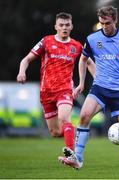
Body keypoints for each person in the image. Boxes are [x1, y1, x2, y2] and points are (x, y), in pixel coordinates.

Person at [58, 6, 119, 173]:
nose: (105, 26)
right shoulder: (92, 39)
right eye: (102, 23)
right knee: (83, 116)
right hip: (100, 87)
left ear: (115, 21)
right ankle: (78, 159)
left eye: (108, 23)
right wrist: (82, 83)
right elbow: (83, 60)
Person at [17, 12, 95, 152]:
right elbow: (26, 59)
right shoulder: (46, 41)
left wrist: (98, 80)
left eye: (67, 25)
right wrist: (22, 72)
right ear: (56, 26)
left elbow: (88, 62)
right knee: (55, 132)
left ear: (71, 26)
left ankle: (71, 155)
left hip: (64, 90)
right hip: (46, 92)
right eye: (61, 25)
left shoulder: (76, 46)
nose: (64, 27)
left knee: (64, 119)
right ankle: (77, 133)